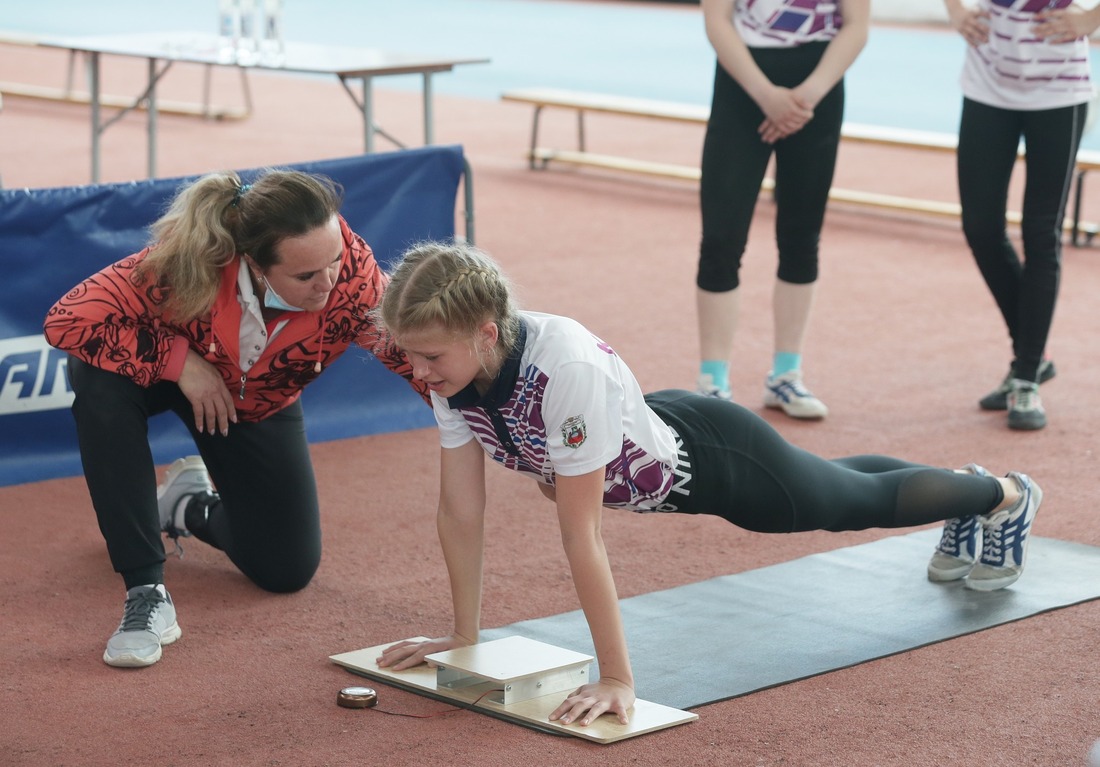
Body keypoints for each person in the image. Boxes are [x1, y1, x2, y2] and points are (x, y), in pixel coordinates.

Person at [373, 241, 1042, 728]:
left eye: (430, 356)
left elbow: (581, 533)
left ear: (487, 333)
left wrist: (615, 677)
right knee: (833, 481)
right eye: (411, 355)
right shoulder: (455, 375)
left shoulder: (562, 369)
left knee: (846, 502)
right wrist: (464, 636)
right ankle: (968, 488)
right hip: (660, 420)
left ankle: (1004, 495)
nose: (420, 371)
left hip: (714, 461)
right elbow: (460, 511)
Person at [43, 169, 428, 668]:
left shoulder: (354, 281)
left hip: (255, 404)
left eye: (334, 261)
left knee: (286, 569)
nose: (328, 284)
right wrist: (179, 363)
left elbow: (419, 357)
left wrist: (490, 420)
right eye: (306, 276)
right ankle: (146, 591)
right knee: (96, 380)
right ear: (254, 263)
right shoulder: (186, 264)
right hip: (170, 379)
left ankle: (186, 507)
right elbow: (67, 319)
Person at [694, 0, 870, 418]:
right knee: (721, 237)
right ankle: (712, 381)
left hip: (818, 85)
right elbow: (717, 19)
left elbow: (857, 25)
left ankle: (786, 375)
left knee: (801, 234)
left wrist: (803, 99)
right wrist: (766, 95)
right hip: (743, 81)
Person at [944, 0, 1100, 430]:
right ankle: (1033, 353)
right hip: (986, 84)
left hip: (1059, 91)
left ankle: (1026, 374)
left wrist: (1091, 18)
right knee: (980, 227)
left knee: (1040, 233)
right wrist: (955, 11)